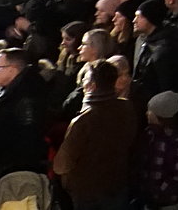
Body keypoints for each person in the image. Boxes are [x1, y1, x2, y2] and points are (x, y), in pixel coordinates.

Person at [55, 59, 140, 210]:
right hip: (118, 184)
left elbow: (62, 164)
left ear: (91, 86)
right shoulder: (127, 107)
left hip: (88, 191)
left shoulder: (84, 120)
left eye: (85, 80)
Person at [0, 47, 50, 186]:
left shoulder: (27, 97)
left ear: (12, 69)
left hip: (17, 175)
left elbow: (27, 140)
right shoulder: (7, 92)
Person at [138, 91, 178, 210]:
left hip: (168, 200)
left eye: (150, 111)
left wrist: (159, 189)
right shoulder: (149, 133)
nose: (147, 113)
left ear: (161, 116)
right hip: (149, 197)